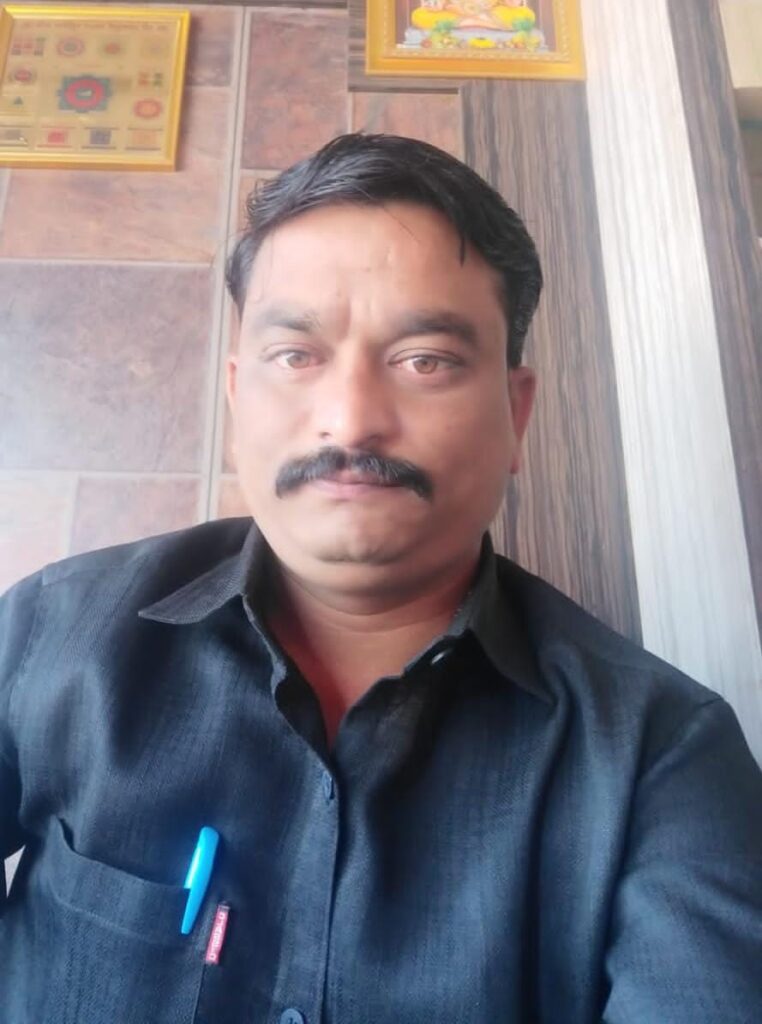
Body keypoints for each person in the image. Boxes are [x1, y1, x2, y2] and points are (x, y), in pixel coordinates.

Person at [0, 133, 759, 1024]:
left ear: (514, 415)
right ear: (239, 396)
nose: (351, 419)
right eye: (297, 355)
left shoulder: (661, 758)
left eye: (425, 359)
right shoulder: (53, 630)